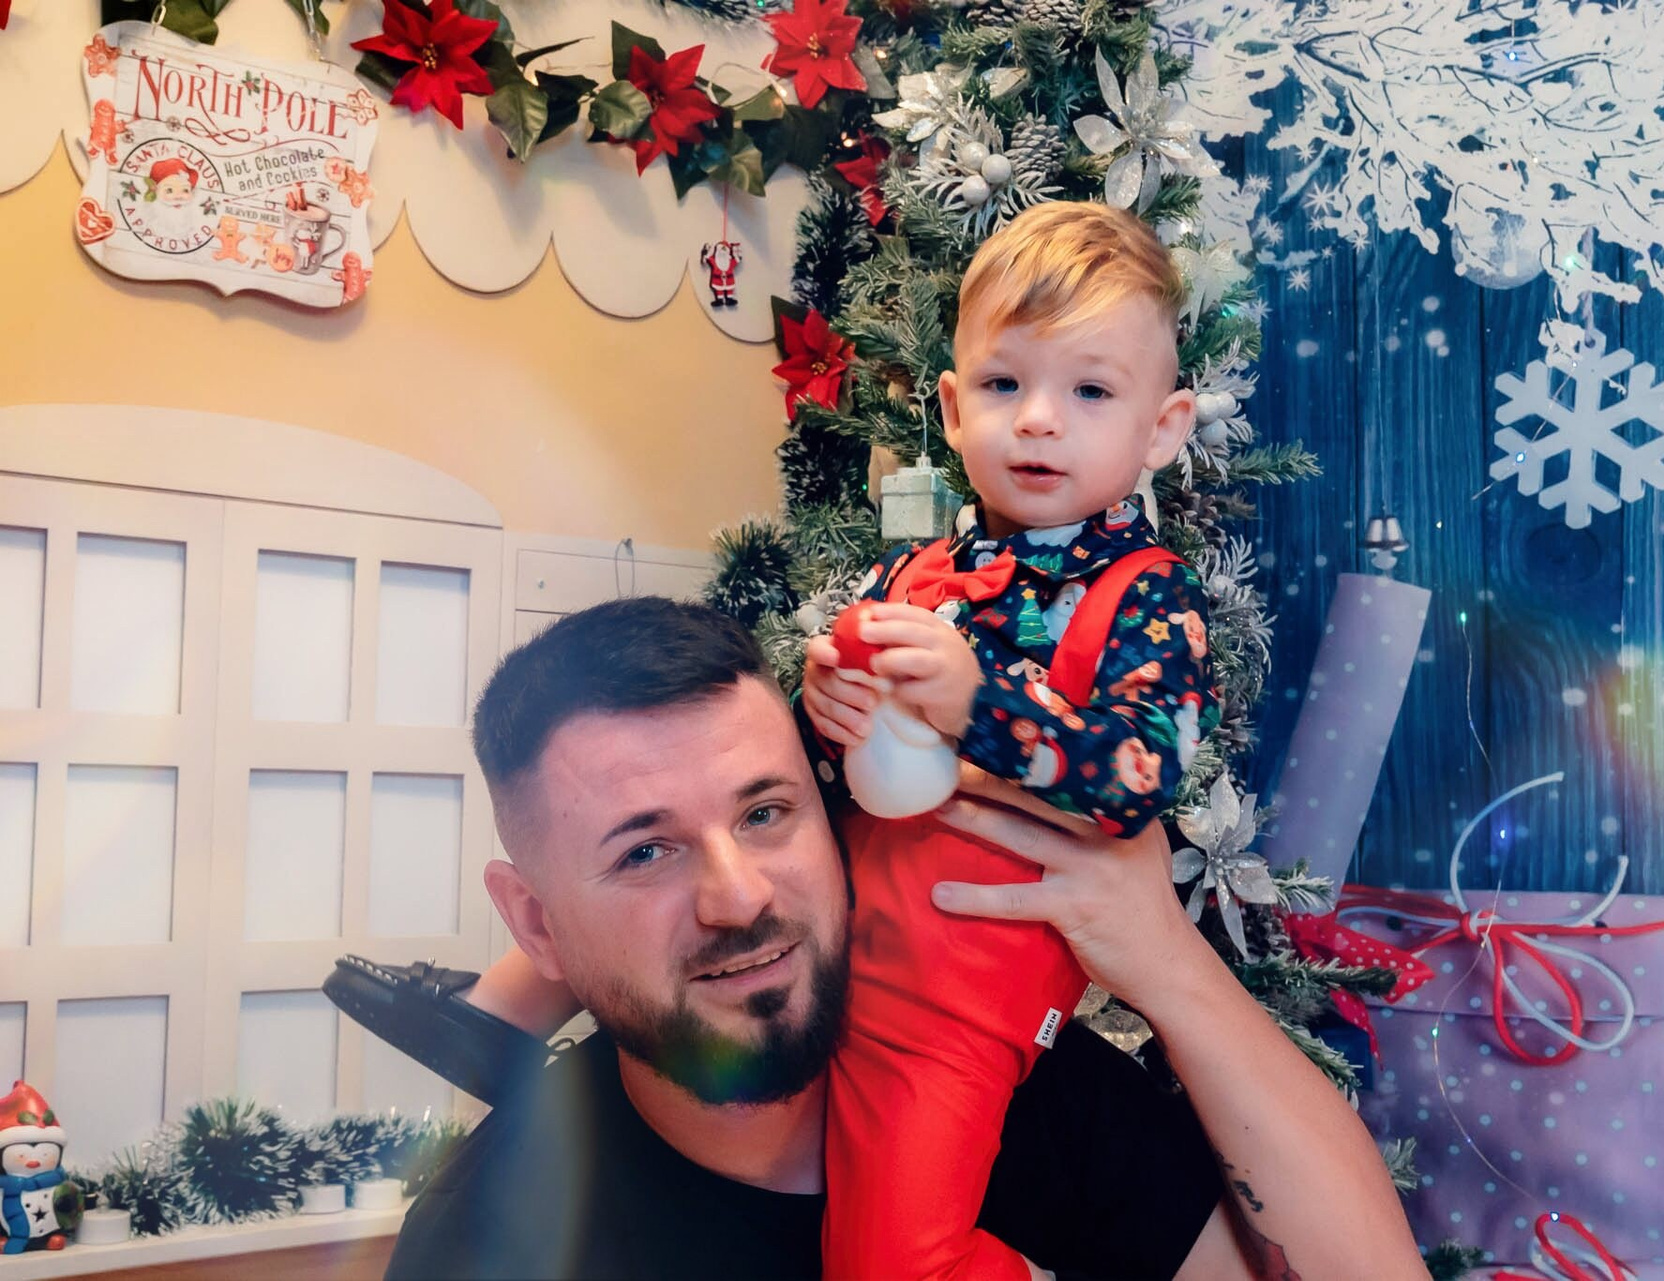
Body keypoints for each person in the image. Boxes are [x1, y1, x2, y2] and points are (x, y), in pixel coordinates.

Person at [379, 596, 1422, 1280]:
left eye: (765, 813)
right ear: (536, 923)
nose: (738, 896)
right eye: (646, 852)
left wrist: (1167, 962)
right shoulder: (487, 1239)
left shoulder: (1026, 1099)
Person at [795, 201, 1221, 1280]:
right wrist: (826, 706)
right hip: (830, 954)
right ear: (951, 407)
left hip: (953, 998)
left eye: (1089, 391)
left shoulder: (1150, 596)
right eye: (1002, 384)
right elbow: (839, 764)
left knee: (891, 1266)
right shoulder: (911, 571)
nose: (1037, 420)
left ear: (1161, 429)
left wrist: (979, 702)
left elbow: (1135, 778)